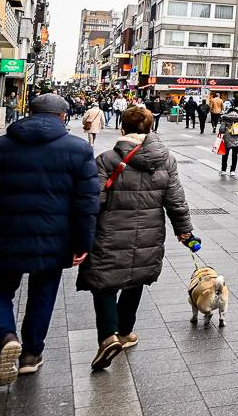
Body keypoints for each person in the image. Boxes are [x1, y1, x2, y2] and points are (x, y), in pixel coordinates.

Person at [0, 93, 99, 385]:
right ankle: (31, 354)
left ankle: (5, 336)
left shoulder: (0, 146)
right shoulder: (78, 149)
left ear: (29, 112)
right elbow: (87, 203)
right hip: (54, 237)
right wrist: (83, 242)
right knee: (43, 294)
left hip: (6, 233)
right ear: (63, 117)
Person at [79, 106, 193, 372]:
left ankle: (108, 337)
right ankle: (124, 332)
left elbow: (93, 200)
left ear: (122, 128)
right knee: (135, 279)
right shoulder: (166, 160)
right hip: (148, 234)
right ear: (151, 129)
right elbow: (176, 200)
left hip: (109, 232)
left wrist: (81, 232)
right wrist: (184, 231)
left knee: (104, 283)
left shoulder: (106, 159)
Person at [216, 104, 238, 175]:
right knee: (235, 155)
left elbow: (222, 129)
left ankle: (223, 170)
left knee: (225, 154)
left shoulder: (225, 118)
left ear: (229, 112)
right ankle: (232, 171)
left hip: (227, 139)